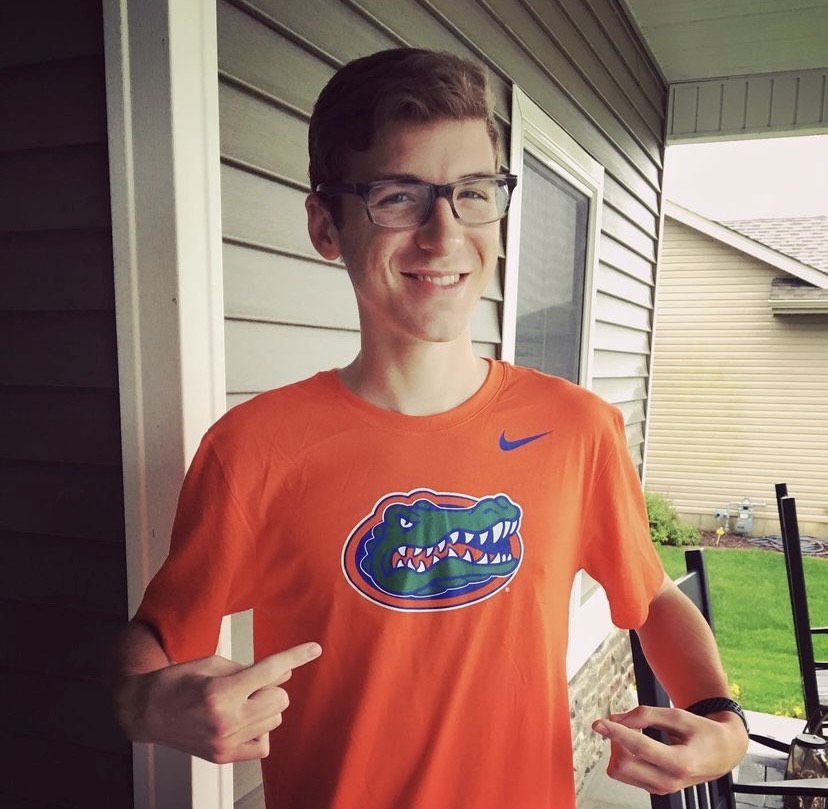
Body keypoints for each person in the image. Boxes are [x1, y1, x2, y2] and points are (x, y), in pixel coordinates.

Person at [109, 47, 749, 808]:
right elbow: (154, 634)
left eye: (473, 192)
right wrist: (146, 703)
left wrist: (722, 721)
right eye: (398, 196)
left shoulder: (578, 429)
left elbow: (651, 600)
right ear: (326, 225)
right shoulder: (254, 447)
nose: (444, 236)